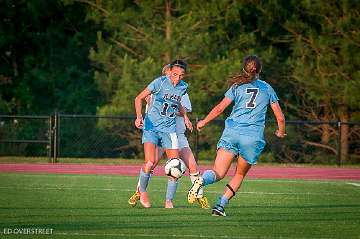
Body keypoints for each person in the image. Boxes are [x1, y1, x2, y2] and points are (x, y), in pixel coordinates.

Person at [187, 55, 286, 216]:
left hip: (231, 133)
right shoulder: (267, 88)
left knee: (218, 172)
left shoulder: (237, 86)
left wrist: (204, 122)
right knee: (239, 174)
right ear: (259, 70)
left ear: (244, 69)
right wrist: (280, 132)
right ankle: (220, 206)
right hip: (252, 138)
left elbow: (220, 108)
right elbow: (280, 117)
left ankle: (201, 180)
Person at [128, 64, 209, 209]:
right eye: (173, 74)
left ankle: (169, 201)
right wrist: (139, 116)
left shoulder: (182, 87)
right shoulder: (158, 84)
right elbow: (139, 97)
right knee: (150, 163)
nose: (176, 78)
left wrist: (185, 117)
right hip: (152, 127)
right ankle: (141, 192)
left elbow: (177, 102)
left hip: (171, 130)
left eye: (180, 75)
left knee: (176, 165)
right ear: (168, 73)